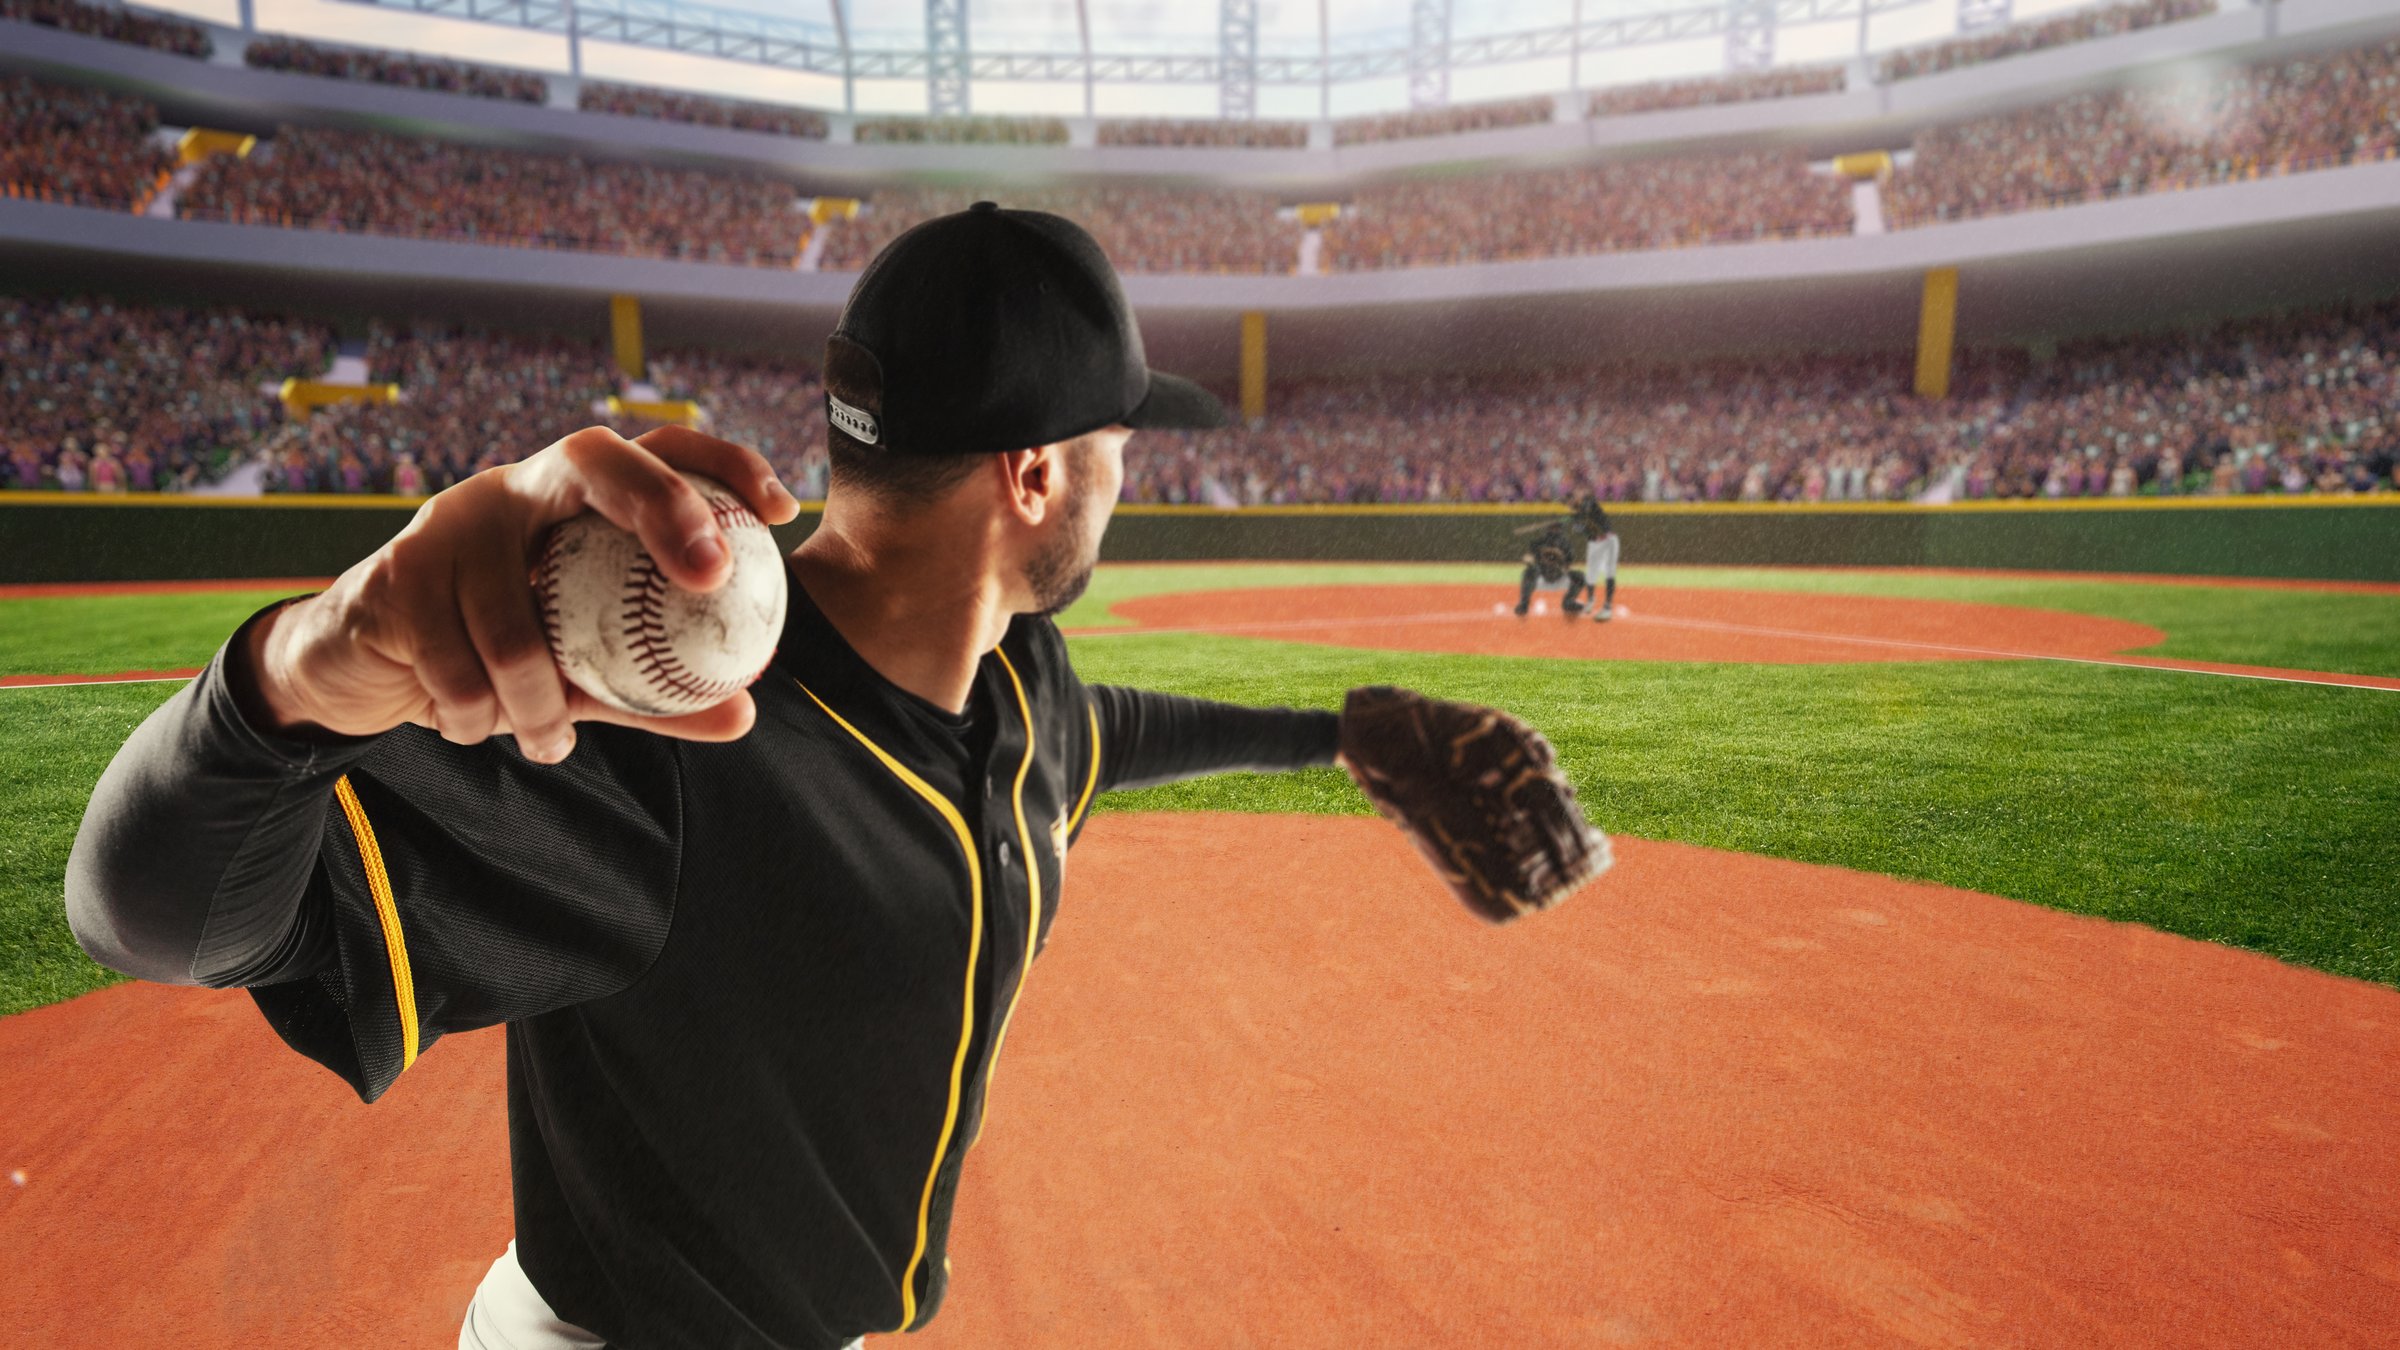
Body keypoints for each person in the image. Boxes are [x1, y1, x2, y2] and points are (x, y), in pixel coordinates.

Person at [63, 204, 1499, 1350]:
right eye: (1117, 444)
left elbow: (1106, 733)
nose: (1131, 470)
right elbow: (153, 923)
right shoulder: (668, 748)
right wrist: (292, 680)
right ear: (1035, 478)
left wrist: (1337, 733)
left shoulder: (1017, 680)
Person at [1515, 518, 1587, 617]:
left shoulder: (1566, 544)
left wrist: (1559, 559)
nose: (1555, 530)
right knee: (1528, 572)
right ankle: (1524, 604)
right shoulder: (1538, 543)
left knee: (1580, 575)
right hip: (1541, 578)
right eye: (1553, 528)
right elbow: (1530, 557)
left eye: (1557, 528)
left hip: (1560, 578)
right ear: (1547, 529)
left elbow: (1568, 563)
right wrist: (1530, 561)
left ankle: (1569, 602)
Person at [1575, 496, 1621, 622]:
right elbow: (1584, 532)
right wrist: (1578, 523)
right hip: (1596, 544)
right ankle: (1590, 600)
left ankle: (1607, 607)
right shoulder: (1580, 517)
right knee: (1591, 573)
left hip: (1609, 541)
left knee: (1610, 573)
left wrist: (1582, 513)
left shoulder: (1594, 508)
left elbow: (1591, 504)